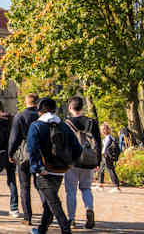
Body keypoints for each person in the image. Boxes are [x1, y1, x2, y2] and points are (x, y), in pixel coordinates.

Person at [27, 97, 82, 234]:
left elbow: (32, 149)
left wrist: (37, 167)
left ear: (40, 111)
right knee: (49, 202)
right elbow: (78, 148)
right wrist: (69, 164)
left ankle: (65, 228)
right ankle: (41, 230)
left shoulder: (36, 126)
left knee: (53, 202)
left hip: (45, 170)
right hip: (60, 169)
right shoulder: (63, 125)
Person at [64, 96, 101, 230]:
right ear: (82, 107)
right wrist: (98, 161)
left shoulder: (67, 123)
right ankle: (89, 208)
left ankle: (71, 219)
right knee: (86, 188)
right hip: (88, 160)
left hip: (72, 161)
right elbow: (98, 142)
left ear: (70, 108)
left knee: (71, 192)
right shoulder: (92, 122)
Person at [8, 93, 40, 226]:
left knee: (25, 186)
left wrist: (10, 153)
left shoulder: (20, 116)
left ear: (26, 102)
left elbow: (14, 138)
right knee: (41, 186)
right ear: (37, 102)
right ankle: (48, 212)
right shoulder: (41, 116)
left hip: (24, 154)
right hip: (39, 154)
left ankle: (28, 217)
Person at [96, 123, 121, 192]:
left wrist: (101, 154)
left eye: (104, 129)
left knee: (110, 170)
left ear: (108, 130)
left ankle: (117, 187)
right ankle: (100, 185)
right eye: (102, 129)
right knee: (101, 170)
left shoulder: (108, 137)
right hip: (106, 156)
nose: (103, 131)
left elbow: (105, 147)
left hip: (107, 156)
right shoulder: (109, 137)